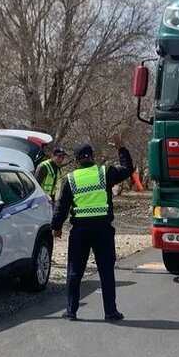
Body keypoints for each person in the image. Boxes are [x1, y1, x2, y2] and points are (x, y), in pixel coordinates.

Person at [51, 132, 134, 322]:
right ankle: (110, 312)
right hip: (102, 230)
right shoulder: (104, 173)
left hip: (80, 231)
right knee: (106, 270)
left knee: (74, 271)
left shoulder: (70, 179)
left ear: (77, 160)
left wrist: (56, 226)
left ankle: (71, 311)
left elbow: (61, 207)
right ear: (92, 156)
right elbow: (127, 169)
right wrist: (121, 149)